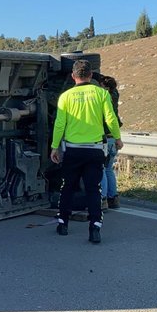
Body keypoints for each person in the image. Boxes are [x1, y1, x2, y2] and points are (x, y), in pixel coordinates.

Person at [50, 60, 123, 243]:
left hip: (73, 150)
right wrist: (118, 137)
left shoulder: (65, 97)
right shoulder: (101, 94)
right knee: (93, 189)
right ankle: (95, 228)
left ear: (73, 76)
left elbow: (59, 124)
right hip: (95, 150)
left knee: (67, 186)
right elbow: (111, 119)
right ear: (90, 76)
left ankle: (63, 223)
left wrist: (54, 146)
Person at [99, 75, 123, 210]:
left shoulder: (104, 99)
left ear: (106, 88)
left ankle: (102, 199)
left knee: (101, 169)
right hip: (113, 138)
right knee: (109, 169)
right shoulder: (114, 95)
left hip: (104, 140)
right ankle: (113, 198)